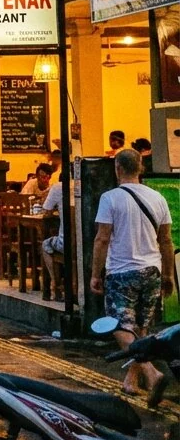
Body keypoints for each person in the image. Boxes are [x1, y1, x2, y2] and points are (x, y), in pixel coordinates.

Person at [90, 149, 175, 400]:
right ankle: (131, 381)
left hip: (122, 270)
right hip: (152, 270)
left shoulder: (110, 198)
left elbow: (102, 238)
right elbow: (166, 240)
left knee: (119, 325)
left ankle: (151, 373)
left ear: (117, 168)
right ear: (141, 168)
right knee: (142, 326)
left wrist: (96, 273)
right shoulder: (158, 198)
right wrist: (168, 275)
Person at [39, 175, 67, 301]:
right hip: (86, 243)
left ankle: (56, 285)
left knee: (45, 245)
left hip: (65, 243)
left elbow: (47, 210)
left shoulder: (57, 187)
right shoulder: (85, 186)